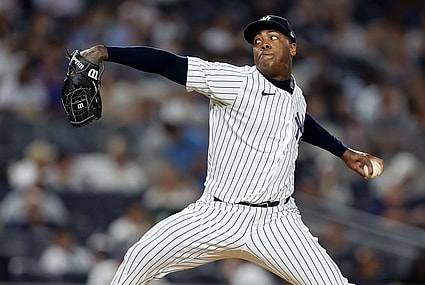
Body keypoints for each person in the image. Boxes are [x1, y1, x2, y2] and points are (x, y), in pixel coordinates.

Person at [77, 15, 384, 285]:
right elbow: (167, 63)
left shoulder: (296, 95)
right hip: (216, 213)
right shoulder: (236, 81)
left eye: (273, 38)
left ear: (292, 47)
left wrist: (344, 152)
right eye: (258, 40)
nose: (262, 44)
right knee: (138, 258)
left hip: (277, 222)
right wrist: (106, 52)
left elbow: (302, 121)